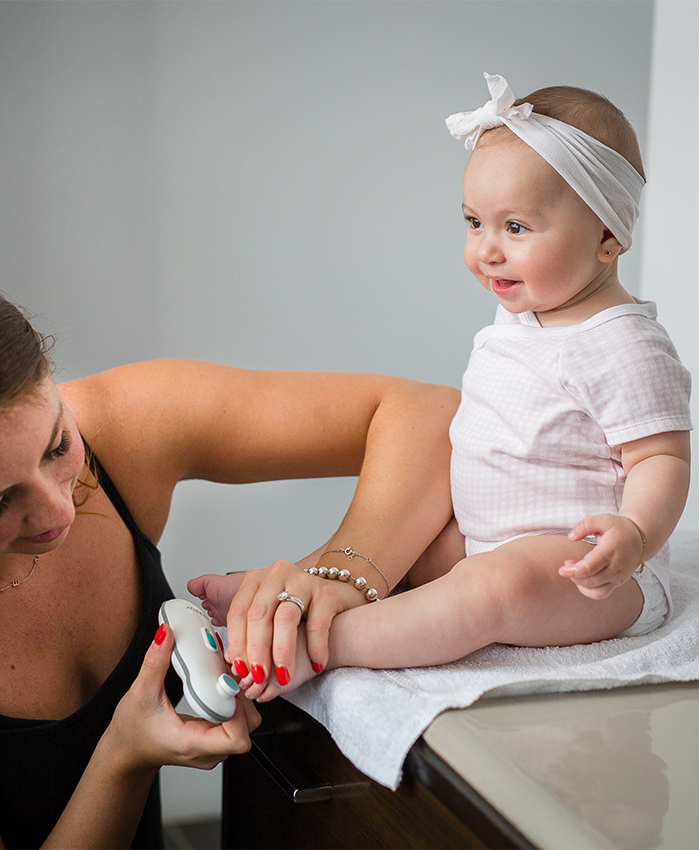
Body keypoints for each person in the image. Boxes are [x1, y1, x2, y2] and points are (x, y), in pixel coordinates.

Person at [0, 264, 458, 848]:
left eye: (57, 446)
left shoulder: (116, 427)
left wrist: (339, 574)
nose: (60, 512)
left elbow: (428, 413)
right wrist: (125, 756)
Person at [192, 73, 692, 702]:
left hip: (589, 574)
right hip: (483, 538)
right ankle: (300, 597)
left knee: (493, 589)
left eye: (516, 228)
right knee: (410, 542)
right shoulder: (522, 318)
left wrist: (636, 536)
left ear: (607, 236)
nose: (486, 249)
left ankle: (324, 643)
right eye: (474, 222)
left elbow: (661, 457)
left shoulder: (622, 343)